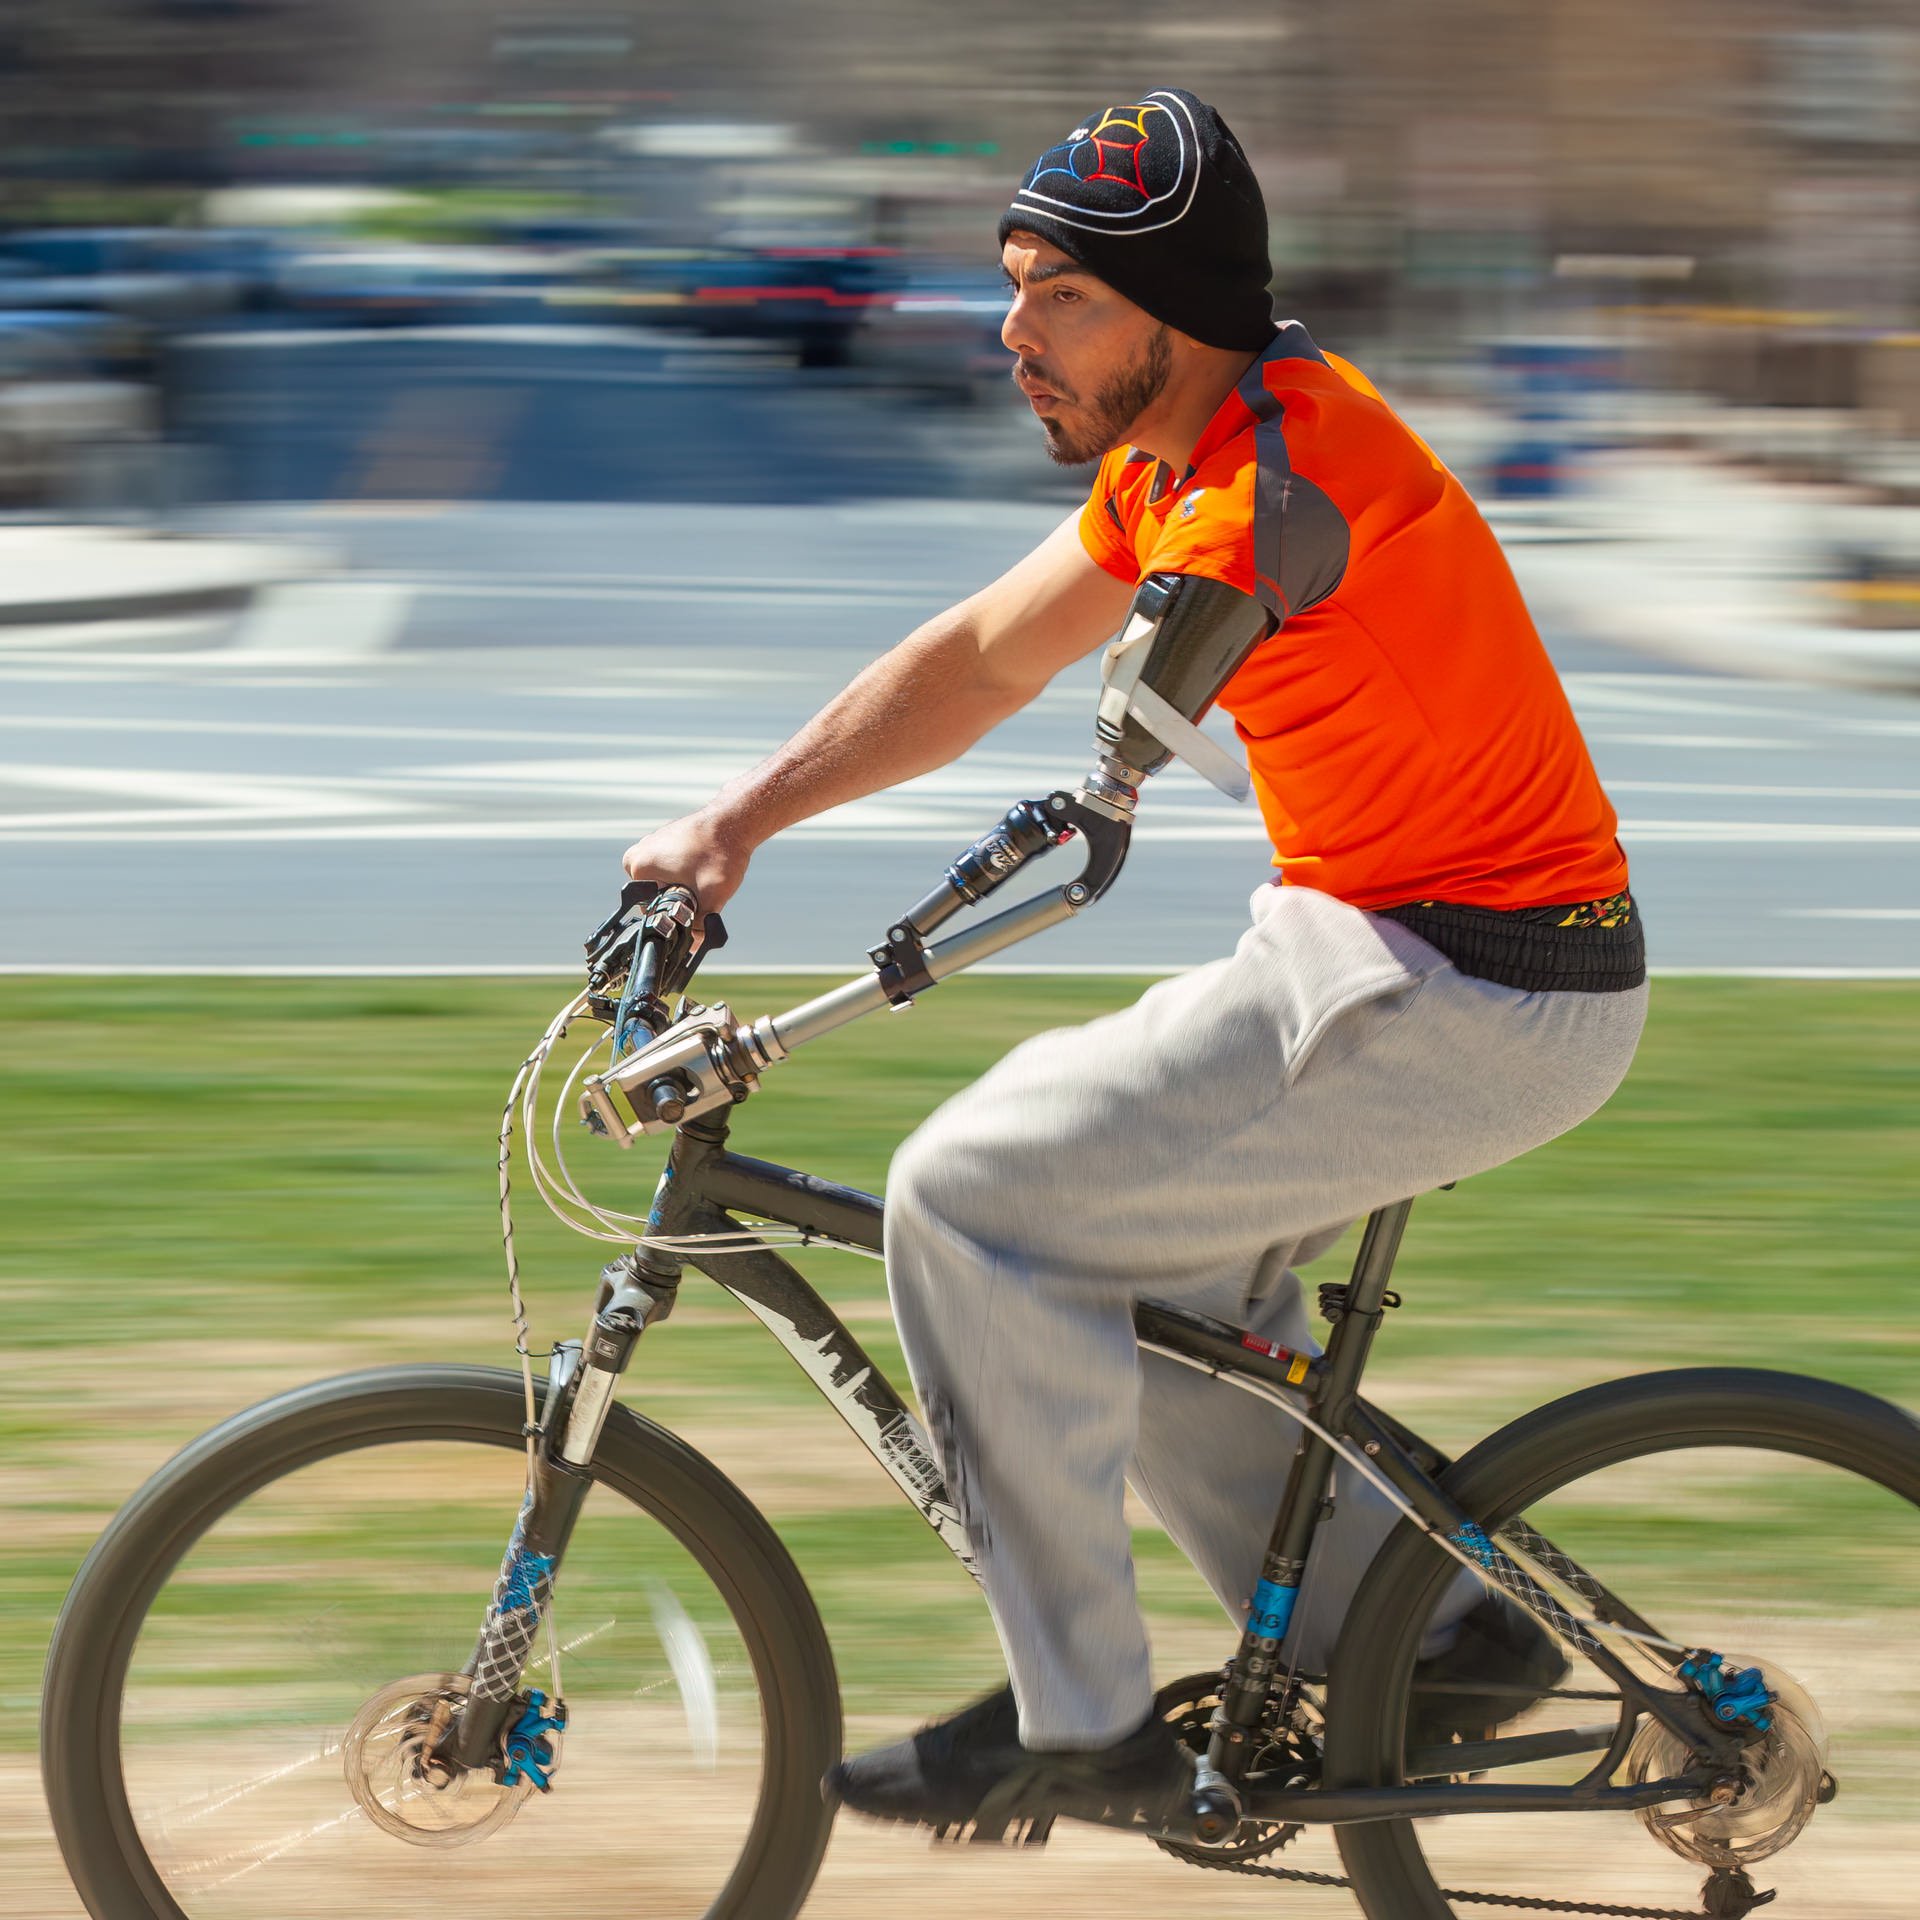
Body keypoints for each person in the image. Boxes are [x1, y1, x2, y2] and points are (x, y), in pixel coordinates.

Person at [620, 87, 1647, 1841]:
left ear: (1178, 317)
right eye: (1013, 283)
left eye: (1061, 296)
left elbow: (1110, 750)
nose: (1012, 327)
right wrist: (739, 823)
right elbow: (977, 659)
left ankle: (1083, 1722)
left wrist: (988, 878)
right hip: (1379, 948)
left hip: (1473, 987)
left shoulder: (1266, 488)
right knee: (1148, 1304)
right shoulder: (1181, 451)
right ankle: (1438, 1642)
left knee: (966, 1197)